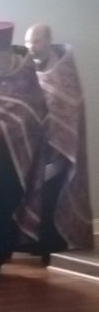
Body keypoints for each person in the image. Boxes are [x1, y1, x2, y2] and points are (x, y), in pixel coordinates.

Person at [0, 23, 48, 274]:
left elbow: (32, 116)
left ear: (7, 55)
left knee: (1, 205)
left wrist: (3, 128)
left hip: (9, 160)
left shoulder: (26, 78)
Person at [23, 23, 93, 255]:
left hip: (58, 150)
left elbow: (70, 110)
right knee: (32, 197)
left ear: (48, 40)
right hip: (33, 147)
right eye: (27, 41)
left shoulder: (63, 72)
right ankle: (33, 244)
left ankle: (51, 247)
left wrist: (58, 154)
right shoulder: (26, 69)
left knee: (52, 195)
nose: (30, 46)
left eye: (36, 41)